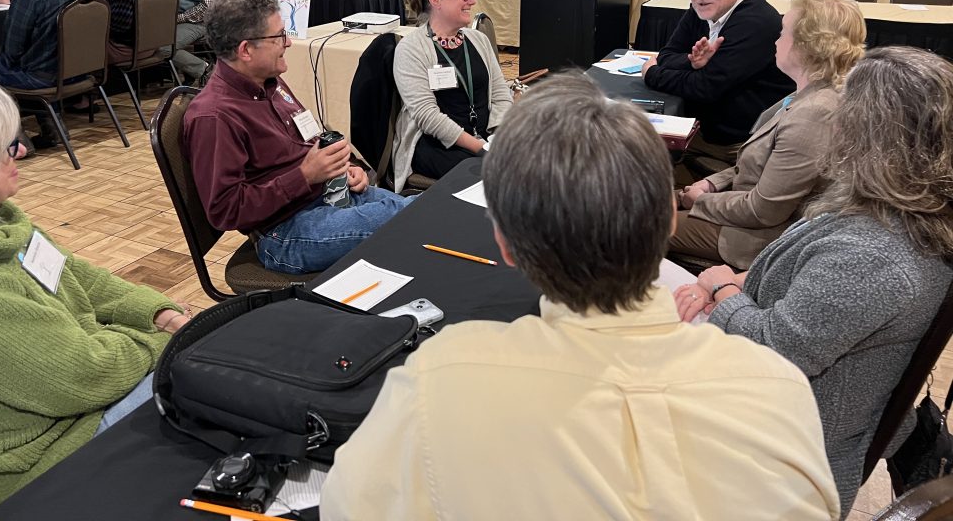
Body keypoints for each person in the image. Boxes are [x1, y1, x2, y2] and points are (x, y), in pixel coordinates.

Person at [321, 73, 841, 521]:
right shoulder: (777, 387)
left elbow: (347, 506)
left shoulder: (439, 380)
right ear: (667, 221)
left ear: (505, 243)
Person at [677, 46, 953, 517]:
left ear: (869, 134)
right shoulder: (884, 208)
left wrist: (723, 287)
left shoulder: (876, 254)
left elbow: (776, 348)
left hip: (781, 458)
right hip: (771, 416)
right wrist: (740, 281)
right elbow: (801, 273)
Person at [0, 74, 190, 518]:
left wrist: (156, 312)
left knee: (222, 379)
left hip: (74, 406)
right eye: (7, 146)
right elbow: (81, 377)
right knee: (210, 382)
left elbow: (76, 275)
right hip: (41, 463)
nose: (24, 152)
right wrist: (165, 341)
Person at [183, 0, 411, 275]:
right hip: (283, 233)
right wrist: (304, 177)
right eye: (279, 36)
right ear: (245, 50)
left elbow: (308, 137)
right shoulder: (215, 116)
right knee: (413, 221)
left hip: (327, 196)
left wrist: (345, 168)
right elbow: (225, 210)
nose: (288, 42)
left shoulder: (270, 82)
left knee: (424, 210)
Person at [669, 0, 866, 269]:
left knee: (630, 226)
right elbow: (760, 166)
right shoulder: (809, 93)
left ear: (806, 46)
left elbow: (764, 212)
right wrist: (713, 183)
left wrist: (700, 202)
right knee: (642, 203)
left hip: (751, 237)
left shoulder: (815, 114)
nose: (776, 40)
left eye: (783, 32)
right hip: (738, 207)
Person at [642, 0, 794, 178]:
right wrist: (692, 64)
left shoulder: (756, 22)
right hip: (704, 126)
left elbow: (704, 88)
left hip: (736, 145)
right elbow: (667, 55)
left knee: (639, 152)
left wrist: (651, 73)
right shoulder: (703, 7)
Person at [392, 0, 512, 191]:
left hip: (485, 139)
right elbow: (428, 117)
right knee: (504, 179)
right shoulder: (411, 49)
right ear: (435, 0)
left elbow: (500, 93)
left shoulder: (478, 40)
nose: (472, 1)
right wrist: (480, 148)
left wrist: (500, 137)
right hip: (437, 145)